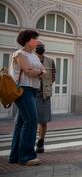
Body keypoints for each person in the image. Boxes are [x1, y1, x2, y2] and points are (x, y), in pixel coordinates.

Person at [9, 30, 46, 166]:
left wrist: (38, 72)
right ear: (27, 40)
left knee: (21, 123)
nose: (37, 41)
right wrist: (39, 72)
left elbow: (43, 71)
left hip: (33, 90)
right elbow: (28, 71)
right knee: (31, 121)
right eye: (35, 38)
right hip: (23, 90)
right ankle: (26, 156)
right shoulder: (20, 54)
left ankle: (15, 156)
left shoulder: (34, 56)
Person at [35, 41, 56, 153]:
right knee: (31, 120)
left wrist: (46, 86)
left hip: (45, 94)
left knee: (43, 120)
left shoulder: (50, 61)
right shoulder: (31, 59)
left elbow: (53, 76)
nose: (41, 48)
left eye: (42, 47)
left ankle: (41, 141)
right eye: (39, 47)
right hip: (33, 93)